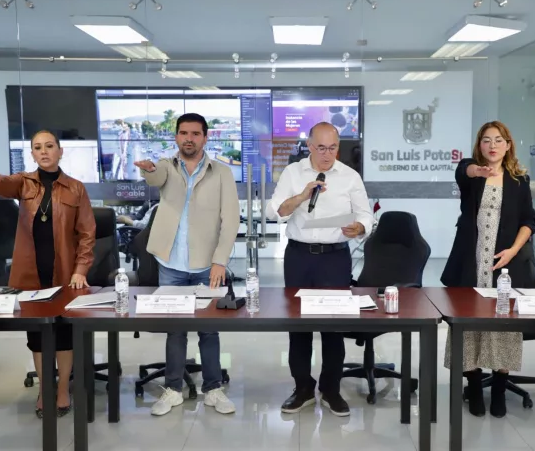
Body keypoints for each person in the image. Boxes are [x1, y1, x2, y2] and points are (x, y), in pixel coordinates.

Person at [134, 113, 240, 417]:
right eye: (183, 133)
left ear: (205, 137)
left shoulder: (221, 173)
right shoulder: (166, 166)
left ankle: (213, 388)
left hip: (207, 265)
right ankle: (173, 389)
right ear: (176, 137)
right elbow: (155, 177)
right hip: (171, 263)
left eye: (195, 133)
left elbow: (231, 219)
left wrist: (220, 261)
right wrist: (148, 170)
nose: (189, 138)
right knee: (176, 329)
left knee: (209, 329)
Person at [266, 122, 375, 417]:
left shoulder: (350, 176)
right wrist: (302, 196)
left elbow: (365, 214)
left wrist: (360, 227)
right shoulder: (293, 172)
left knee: (333, 326)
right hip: (299, 257)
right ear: (310, 146)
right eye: (321, 148)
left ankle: (331, 389)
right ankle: (302, 388)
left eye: (333, 148)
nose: (327, 154)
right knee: (298, 326)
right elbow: (275, 211)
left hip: (334, 258)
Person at [440, 121, 535, 418]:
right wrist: (477, 171)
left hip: (504, 266)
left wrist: (513, 250)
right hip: (471, 264)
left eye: (498, 140)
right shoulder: (472, 175)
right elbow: (464, 170)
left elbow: (529, 221)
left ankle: (498, 390)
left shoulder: (519, 181)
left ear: (508, 145)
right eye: (486, 140)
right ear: (479, 145)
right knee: (468, 326)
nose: (492, 145)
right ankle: (473, 387)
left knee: (502, 327)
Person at [0, 130, 96, 418]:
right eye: (38, 147)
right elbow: (0, 183)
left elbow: (87, 233)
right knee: (38, 335)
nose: (44, 151)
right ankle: (45, 389)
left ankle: (63, 388)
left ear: (60, 151)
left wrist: (80, 270)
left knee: (64, 334)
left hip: (65, 273)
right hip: (30, 275)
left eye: (49, 146)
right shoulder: (22, 183)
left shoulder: (76, 188)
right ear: (32, 153)